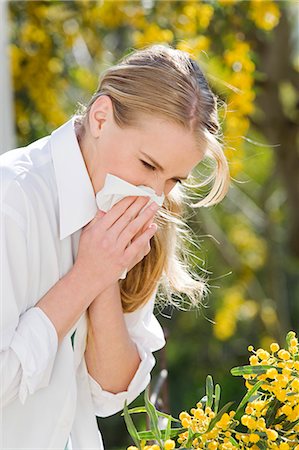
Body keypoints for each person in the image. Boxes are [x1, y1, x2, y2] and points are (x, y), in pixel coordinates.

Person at [0, 44, 230, 450]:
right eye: (148, 165)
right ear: (101, 118)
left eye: (174, 181)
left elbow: (110, 392)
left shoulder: (125, 217)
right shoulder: (12, 200)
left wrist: (104, 274)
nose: (154, 195)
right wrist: (87, 275)